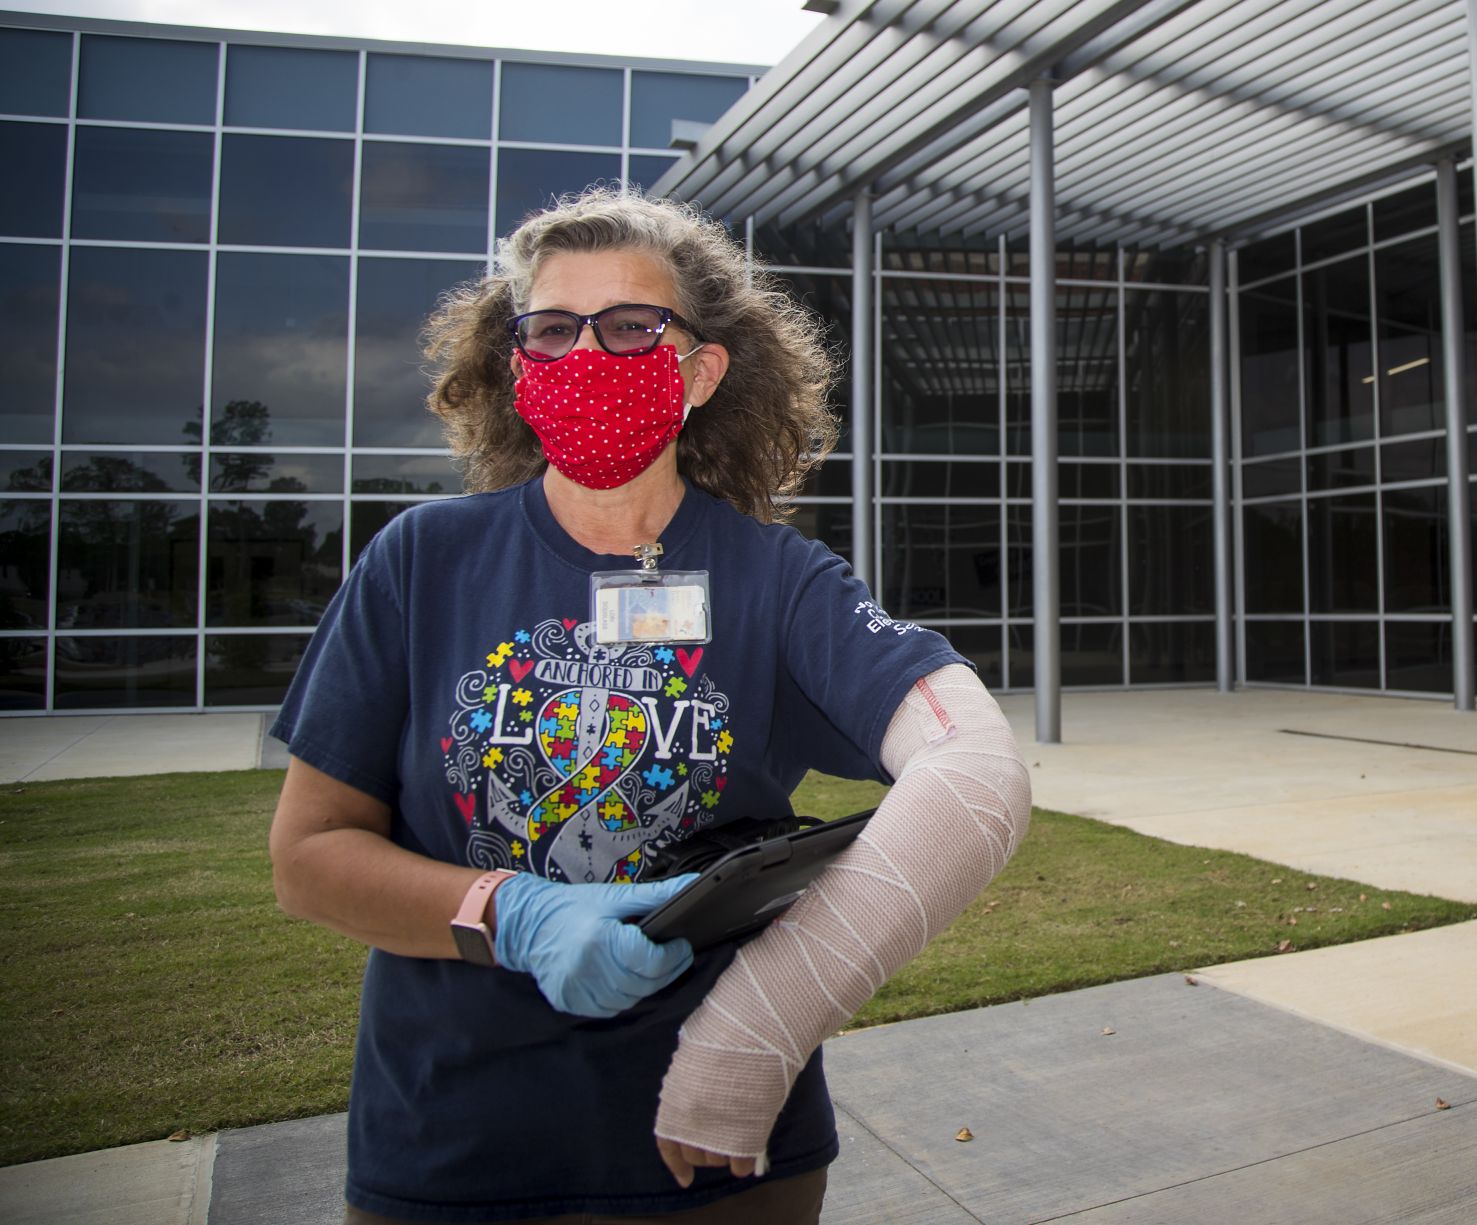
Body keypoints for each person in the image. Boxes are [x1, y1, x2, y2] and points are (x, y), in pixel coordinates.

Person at [267, 183, 1031, 1224]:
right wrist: (511, 913)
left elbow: (974, 772)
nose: (586, 354)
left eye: (631, 326)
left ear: (702, 369)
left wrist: (752, 1032)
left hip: (716, 1151)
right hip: (447, 1149)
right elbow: (308, 858)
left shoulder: (778, 581)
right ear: (517, 366)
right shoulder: (421, 562)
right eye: (551, 329)